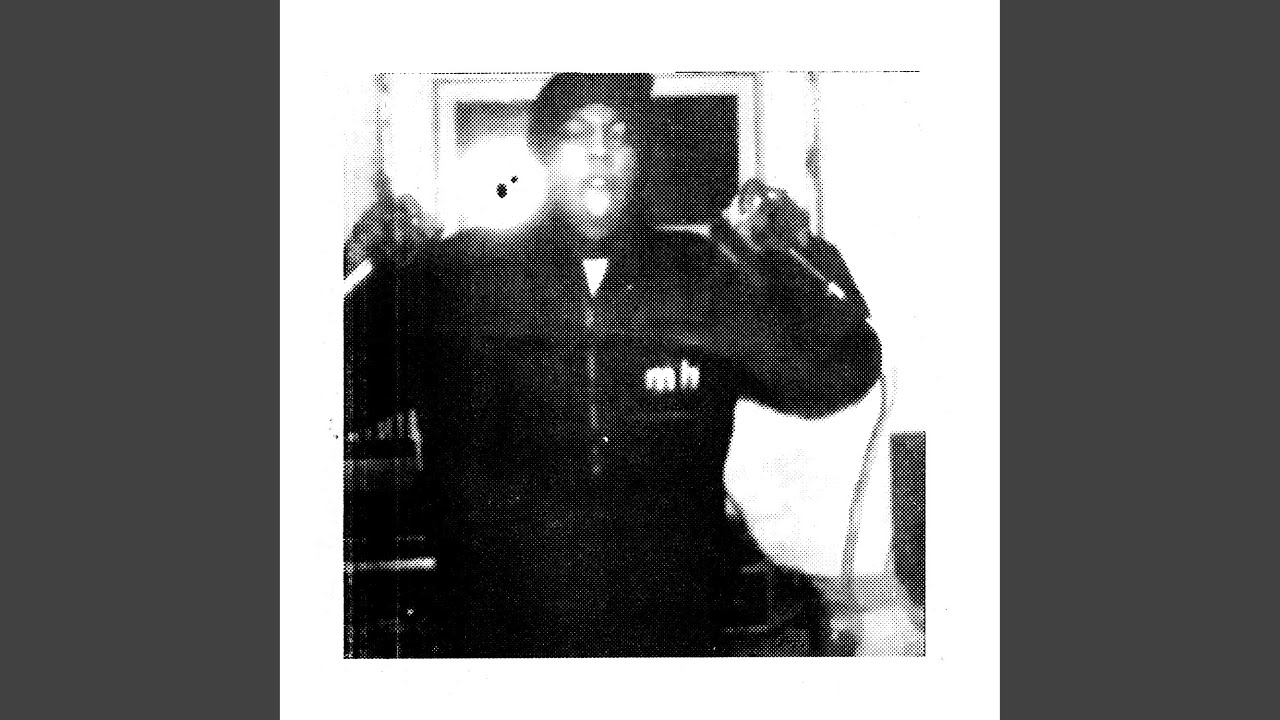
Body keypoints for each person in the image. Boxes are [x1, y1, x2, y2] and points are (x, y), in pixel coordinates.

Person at [345, 72, 919, 657]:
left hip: (669, 635)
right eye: (576, 137)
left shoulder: (703, 275)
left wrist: (786, 249)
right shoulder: (452, 277)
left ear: (641, 155)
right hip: (494, 637)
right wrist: (366, 265)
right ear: (541, 154)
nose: (598, 157)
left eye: (617, 137)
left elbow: (840, 371)